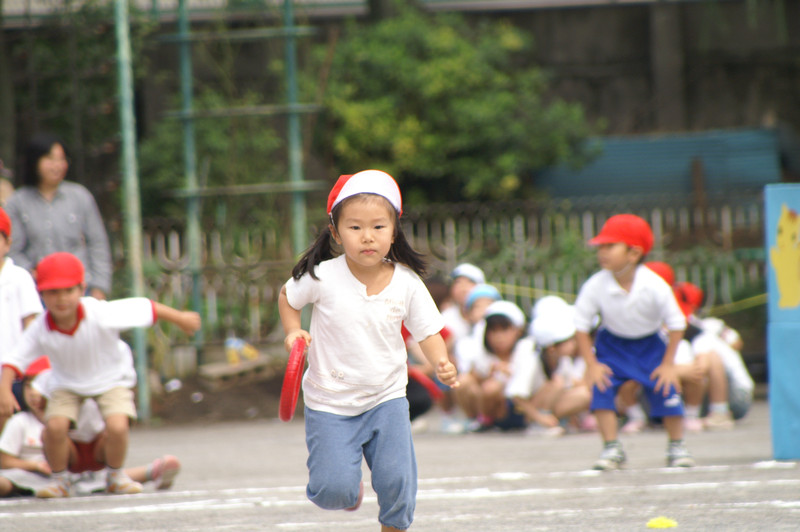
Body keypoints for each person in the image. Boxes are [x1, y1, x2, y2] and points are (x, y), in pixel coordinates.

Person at [277, 170, 458, 532]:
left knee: (397, 482)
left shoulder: (407, 282)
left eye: (378, 226)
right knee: (333, 491)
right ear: (335, 232)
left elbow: (428, 331)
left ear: (394, 231)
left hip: (387, 398)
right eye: (355, 227)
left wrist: (441, 360)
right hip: (330, 402)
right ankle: (348, 485)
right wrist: (293, 330)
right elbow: (287, 296)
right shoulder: (322, 275)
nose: (367, 236)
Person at [0, 251, 201, 497]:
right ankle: (60, 481)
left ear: (82, 289)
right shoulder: (41, 327)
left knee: (117, 426)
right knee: (54, 427)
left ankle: (116, 476)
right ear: (41, 294)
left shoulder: (99, 312)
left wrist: (181, 318)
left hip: (110, 378)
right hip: (67, 383)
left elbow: (145, 307)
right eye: (53, 292)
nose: (61, 299)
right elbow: (15, 359)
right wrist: (4, 390)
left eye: (68, 291)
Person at [574, 214, 693, 470]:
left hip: (650, 346)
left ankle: (676, 444)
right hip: (612, 346)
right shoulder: (595, 285)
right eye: (600, 247)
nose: (602, 252)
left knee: (666, 387)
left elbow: (677, 323)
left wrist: (668, 364)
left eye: (610, 246)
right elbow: (581, 326)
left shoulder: (654, 285)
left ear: (634, 253)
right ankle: (612, 447)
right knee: (601, 386)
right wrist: (591, 364)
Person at [0, 365, 180, 497]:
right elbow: (4, 460)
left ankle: (153, 470)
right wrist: (35, 465)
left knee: (99, 476)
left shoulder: (74, 407)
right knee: (12, 480)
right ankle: (150, 472)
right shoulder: (21, 422)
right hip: (36, 474)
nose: (34, 392)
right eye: (29, 385)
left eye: (38, 384)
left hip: (79, 470)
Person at [4, 133, 112, 299]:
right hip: (36, 292)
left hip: (80, 290)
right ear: (35, 161)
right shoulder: (17, 202)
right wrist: (32, 272)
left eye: (61, 159)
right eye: (50, 159)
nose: (57, 165)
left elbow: (97, 244)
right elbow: (12, 249)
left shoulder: (80, 196)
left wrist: (99, 287)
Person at [454, 300, 547, 433]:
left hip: (520, 407)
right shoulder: (482, 351)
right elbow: (472, 376)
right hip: (492, 405)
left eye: (504, 329)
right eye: (493, 331)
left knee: (492, 387)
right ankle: (477, 420)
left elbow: (520, 390)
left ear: (518, 331)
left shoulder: (526, 349)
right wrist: (489, 372)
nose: (498, 336)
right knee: (463, 380)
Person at [0, 206, 43, 433]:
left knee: (13, 427)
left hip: (15, 372)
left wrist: (29, 368)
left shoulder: (19, 278)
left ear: (8, 243)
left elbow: (31, 325)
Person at [529, 298, 594, 433]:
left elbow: (572, 383)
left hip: (546, 403)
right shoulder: (530, 354)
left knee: (579, 391)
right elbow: (516, 394)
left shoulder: (563, 358)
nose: (573, 342)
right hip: (528, 409)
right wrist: (538, 417)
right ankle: (539, 423)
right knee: (558, 384)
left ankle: (556, 420)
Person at [441, 263, 485, 343]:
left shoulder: (491, 314)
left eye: (470, 282)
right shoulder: (446, 317)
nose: (463, 288)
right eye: (457, 282)